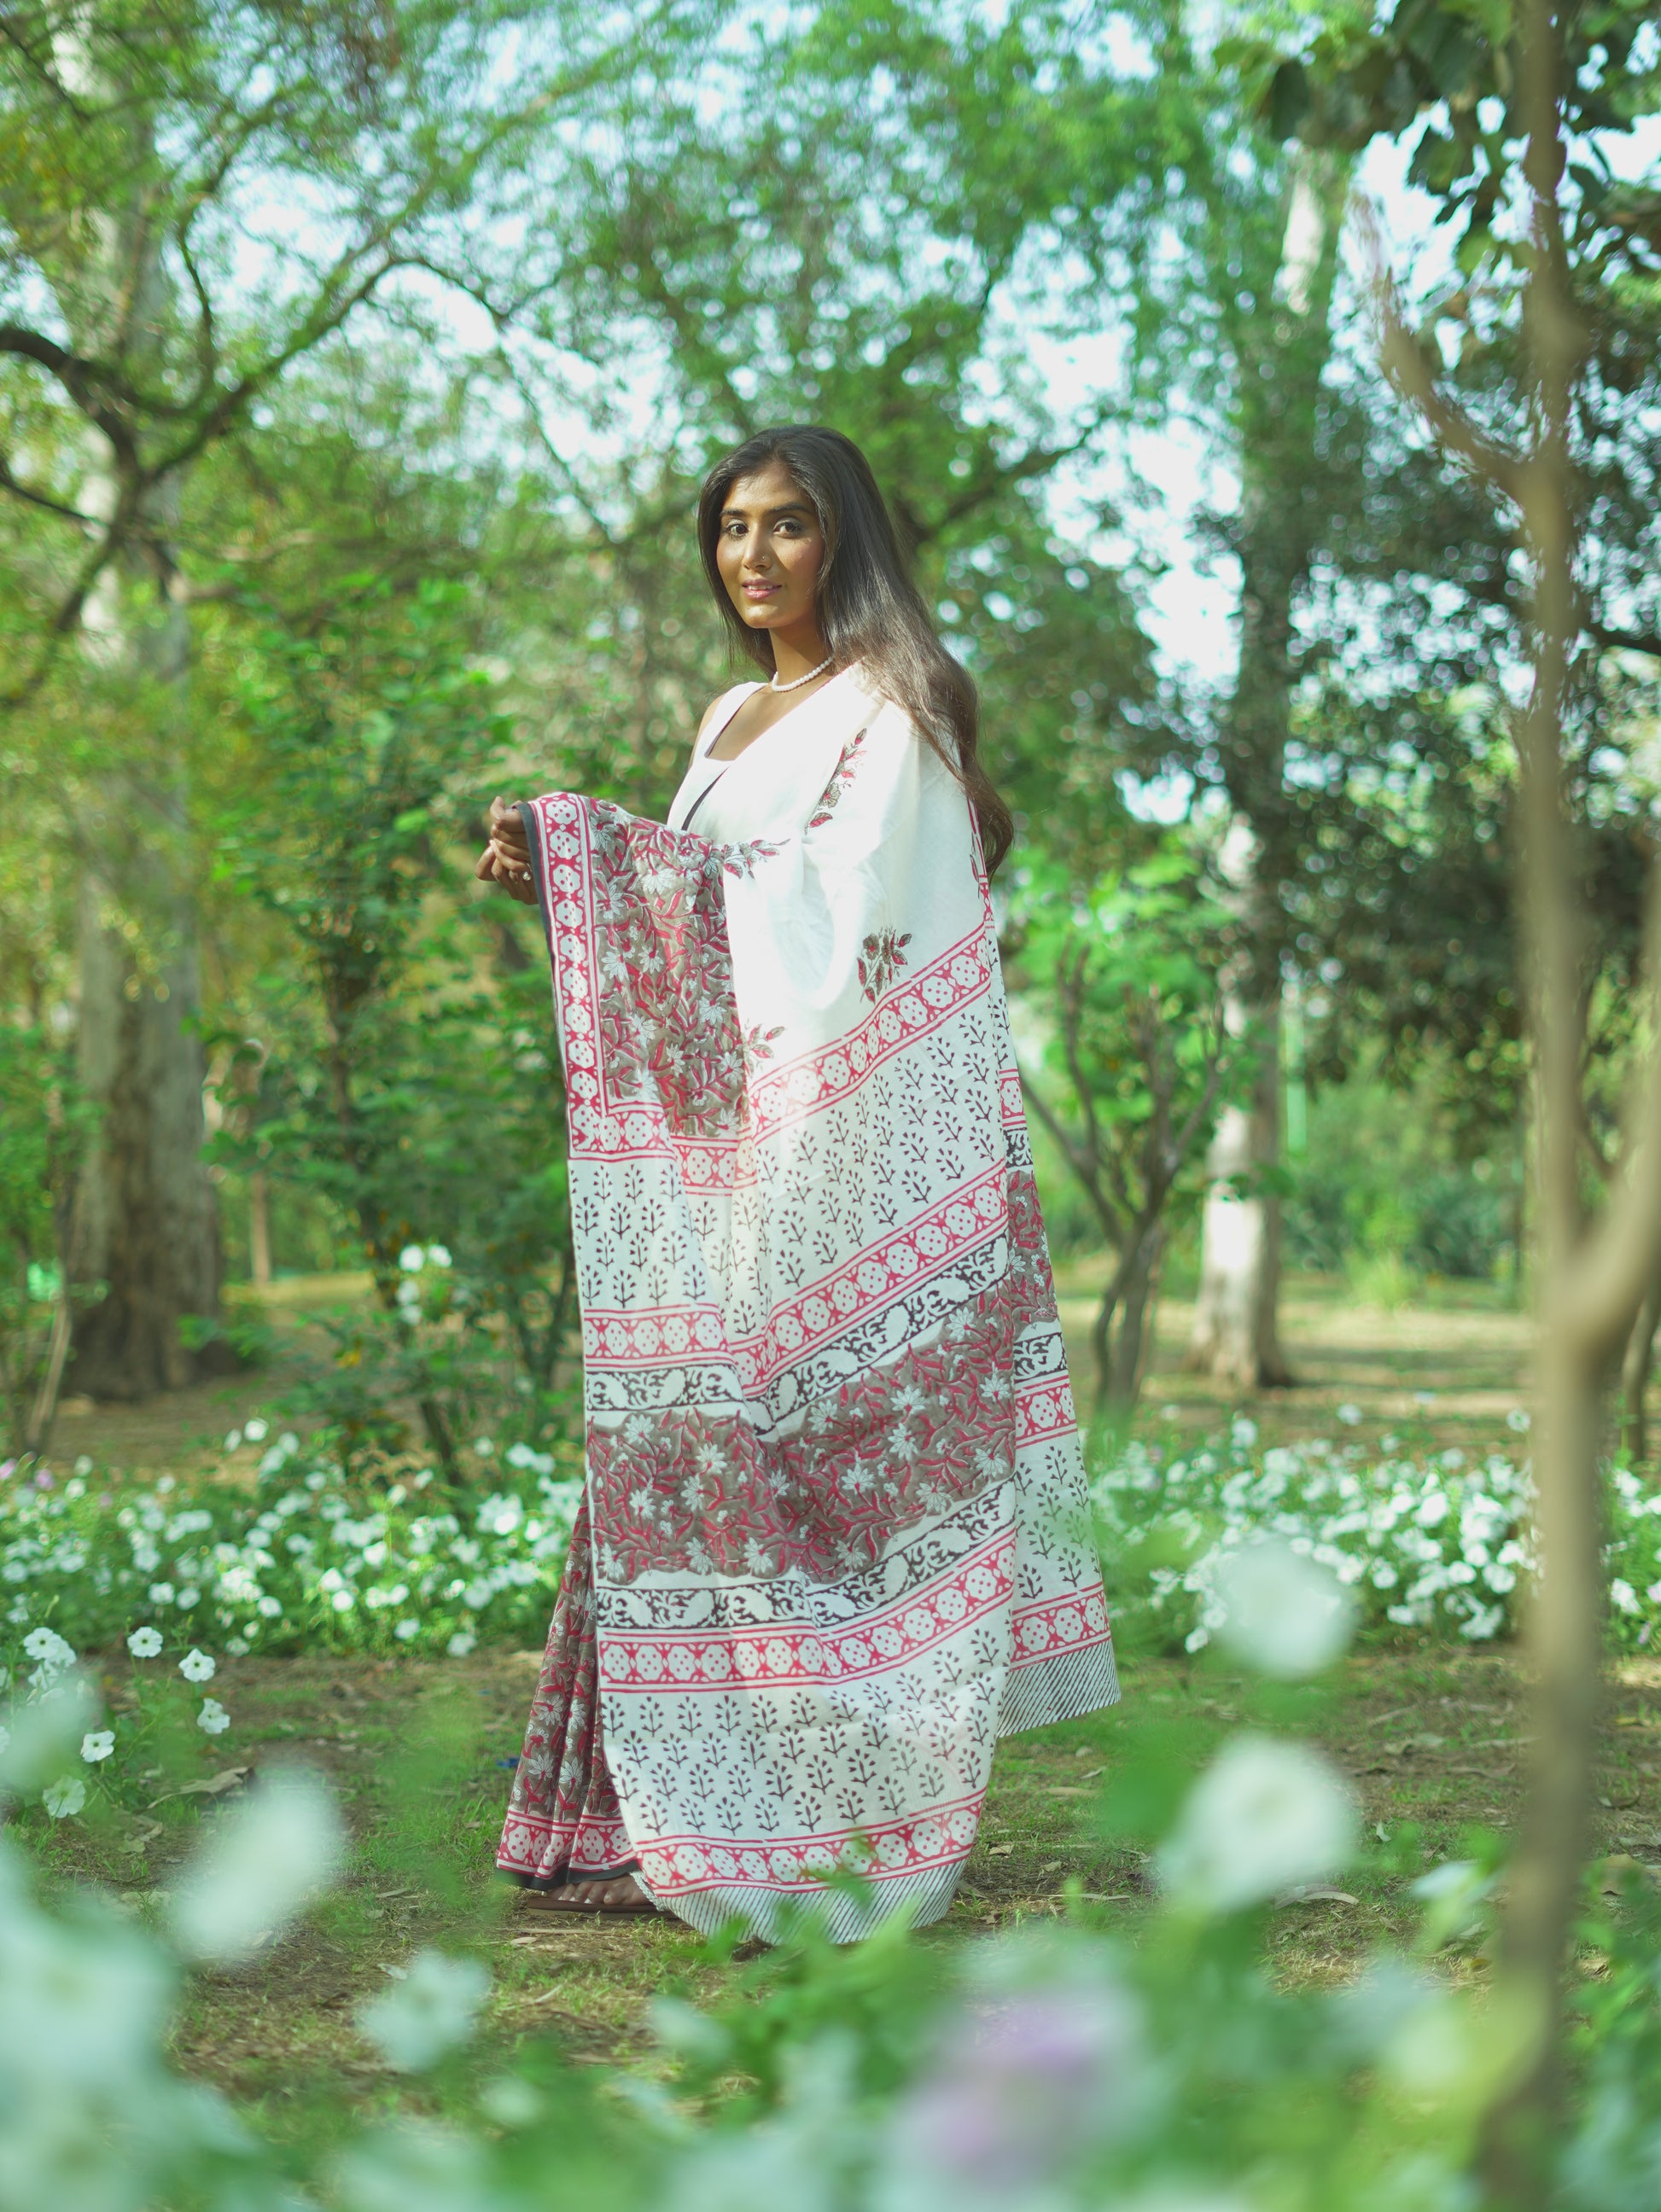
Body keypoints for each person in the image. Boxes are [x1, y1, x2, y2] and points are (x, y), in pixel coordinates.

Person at [475, 424, 1118, 1938]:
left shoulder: (892, 714)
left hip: (835, 1168)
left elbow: (830, 945)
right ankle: (629, 1815)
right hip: (718, 1172)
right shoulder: (729, 717)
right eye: (730, 528)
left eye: (784, 526)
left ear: (848, 542)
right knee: (684, 1453)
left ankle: (825, 1820)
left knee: (801, 1475)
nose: (750, 557)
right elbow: (708, 922)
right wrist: (564, 888)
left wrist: (604, 862)